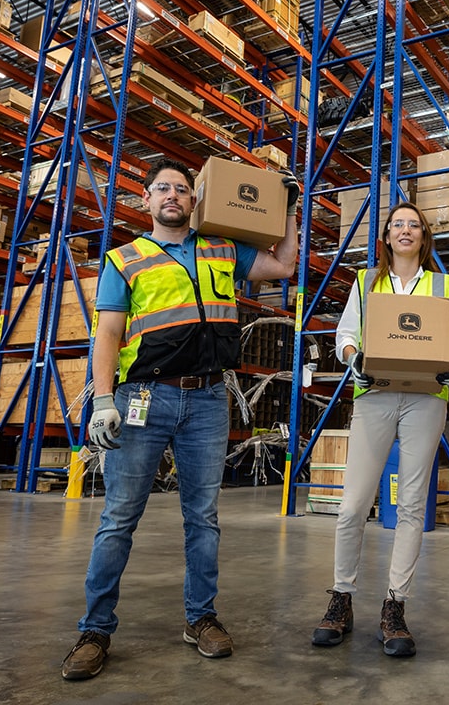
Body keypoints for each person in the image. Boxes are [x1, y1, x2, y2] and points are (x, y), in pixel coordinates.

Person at [61, 157, 300, 681]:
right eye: (161, 188)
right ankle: (95, 629)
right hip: (144, 398)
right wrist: (103, 401)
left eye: (182, 189)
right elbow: (107, 334)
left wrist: (289, 208)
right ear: (145, 201)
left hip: (209, 399)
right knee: (119, 517)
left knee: (204, 517)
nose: (172, 195)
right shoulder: (124, 259)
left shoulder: (221, 248)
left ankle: (201, 619)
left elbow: (283, 264)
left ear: (195, 201)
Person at [311, 201, 449, 657]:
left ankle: (395, 606)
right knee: (353, 503)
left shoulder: (441, 285)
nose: (404, 230)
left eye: (413, 224)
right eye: (396, 224)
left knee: (413, 504)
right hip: (374, 395)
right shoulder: (366, 281)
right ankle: (341, 598)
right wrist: (352, 357)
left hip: (426, 399)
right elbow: (345, 336)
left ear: (423, 235)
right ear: (385, 236)